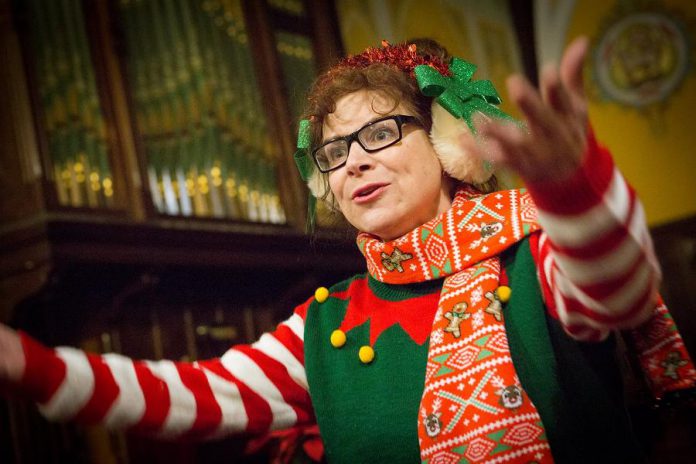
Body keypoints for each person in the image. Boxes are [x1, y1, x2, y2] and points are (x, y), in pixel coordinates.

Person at [1, 37, 694, 464]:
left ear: (451, 146)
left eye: (382, 133)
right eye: (334, 151)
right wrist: (25, 364)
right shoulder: (326, 324)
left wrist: (576, 187)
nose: (353, 163)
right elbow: (193, 395)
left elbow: (621, 285)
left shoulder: (538, 257)